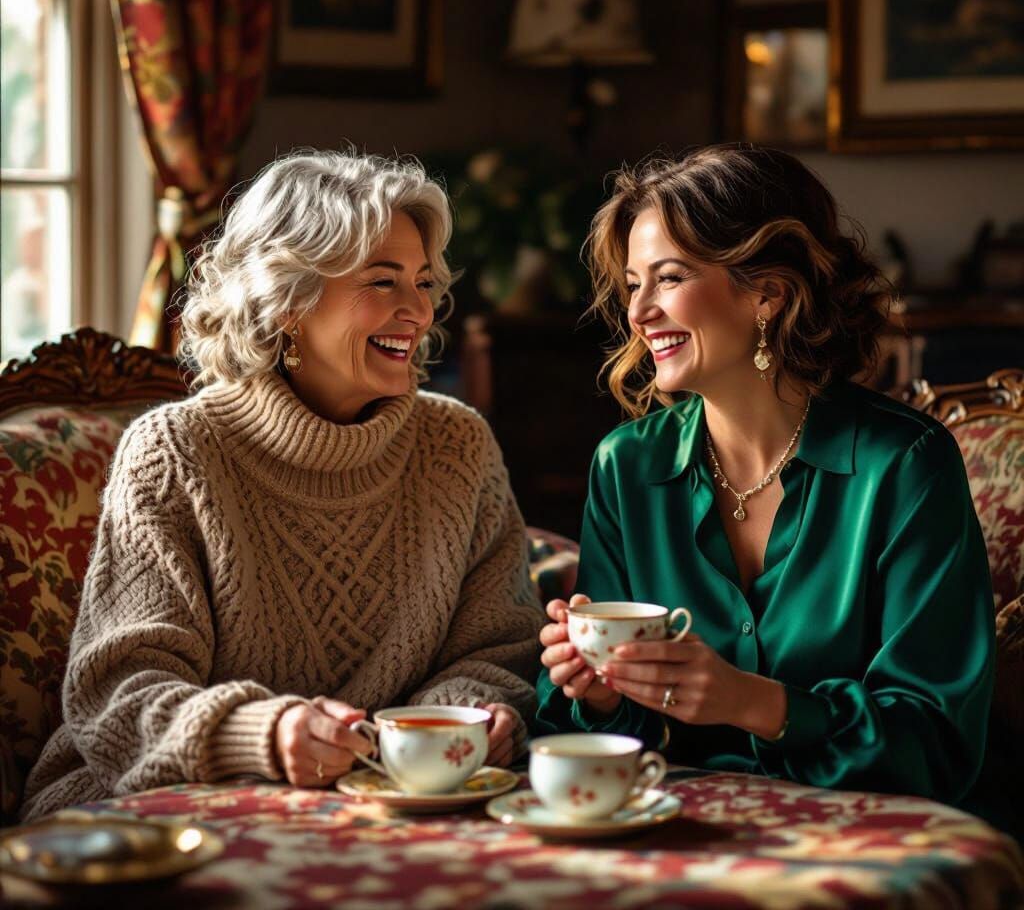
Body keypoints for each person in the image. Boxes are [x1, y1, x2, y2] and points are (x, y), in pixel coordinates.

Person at [21, 150, 545, 821]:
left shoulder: (458, 445)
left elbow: (500, 646)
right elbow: (117, 698)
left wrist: (465, 717)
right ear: (289, 301)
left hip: (397, 809)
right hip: (166, 809)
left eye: (422, 282)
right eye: (382, 282)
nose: (418, 310)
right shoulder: (175, 453)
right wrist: (263, 735)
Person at [536, 143, 994, 809]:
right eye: (633, 285)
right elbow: (594, 742)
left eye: (668, 278)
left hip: (863, 835)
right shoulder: (626, 466)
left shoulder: (905, 465)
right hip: (673, 827)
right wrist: (601, 694)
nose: (638, 313)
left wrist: (753, 702)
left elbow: (935, 743)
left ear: (768, 294)